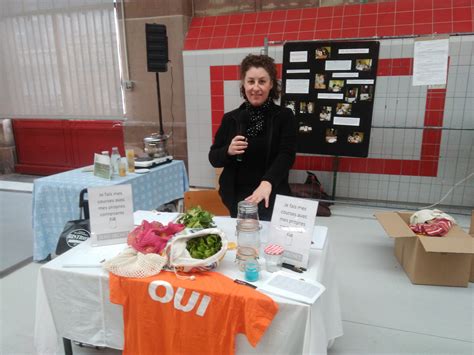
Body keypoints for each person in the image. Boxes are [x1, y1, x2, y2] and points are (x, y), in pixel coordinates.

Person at [209, 54, 297, 221]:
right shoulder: (231, 118)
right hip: (237, 199)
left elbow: (287, 155)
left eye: (262, 81)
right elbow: (214, 158)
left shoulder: (284, 116)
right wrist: (228, 151)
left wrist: (267, 183)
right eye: (251, 81)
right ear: (244, 84)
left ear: (271, 84)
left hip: (270, 194)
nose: (255, 88)